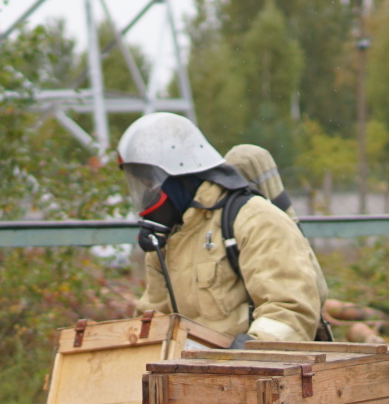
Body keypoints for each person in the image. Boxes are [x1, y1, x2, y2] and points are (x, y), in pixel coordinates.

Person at [121, 113, 324, 345]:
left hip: (258, 375)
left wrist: (251, 350)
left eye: (151, 182)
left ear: (180, 174)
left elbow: (291, 310)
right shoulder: (168, 240)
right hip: (193, 376)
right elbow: (154, 320)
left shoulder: (255, 219)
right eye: (142, 185)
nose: (148, 194)